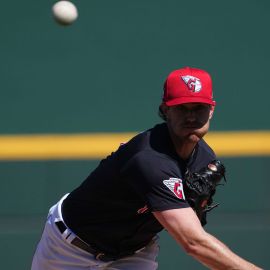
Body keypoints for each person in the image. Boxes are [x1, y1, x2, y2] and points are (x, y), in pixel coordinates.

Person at [31, 67, 261, 270]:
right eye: (182, 108)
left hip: (135, 253)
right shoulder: (149, 158)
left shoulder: (204, 160)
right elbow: (193, 243)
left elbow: (189, 229)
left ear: (211, 110)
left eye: (198, 107)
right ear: (165, 110)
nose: (191, 116)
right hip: (70, 250)